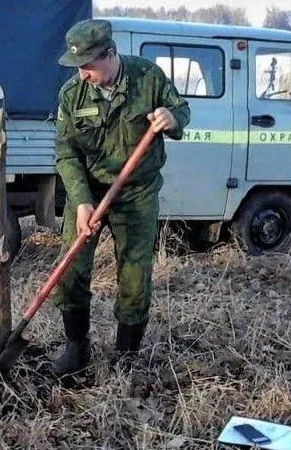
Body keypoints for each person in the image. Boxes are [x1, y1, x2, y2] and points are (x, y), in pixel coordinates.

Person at [50, 19, 190, 376]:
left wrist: (172, 118)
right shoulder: (72, 94)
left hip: (136, 194)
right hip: (91, 193)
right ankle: (76, 348)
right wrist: (81, 201)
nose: (82, 74)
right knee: (72, 269)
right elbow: (66, 155)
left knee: (134, 275)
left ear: (110, 55)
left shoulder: (149, 77)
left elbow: (183, 111)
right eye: (78, 67)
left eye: (88, 66)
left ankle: (126, 356)